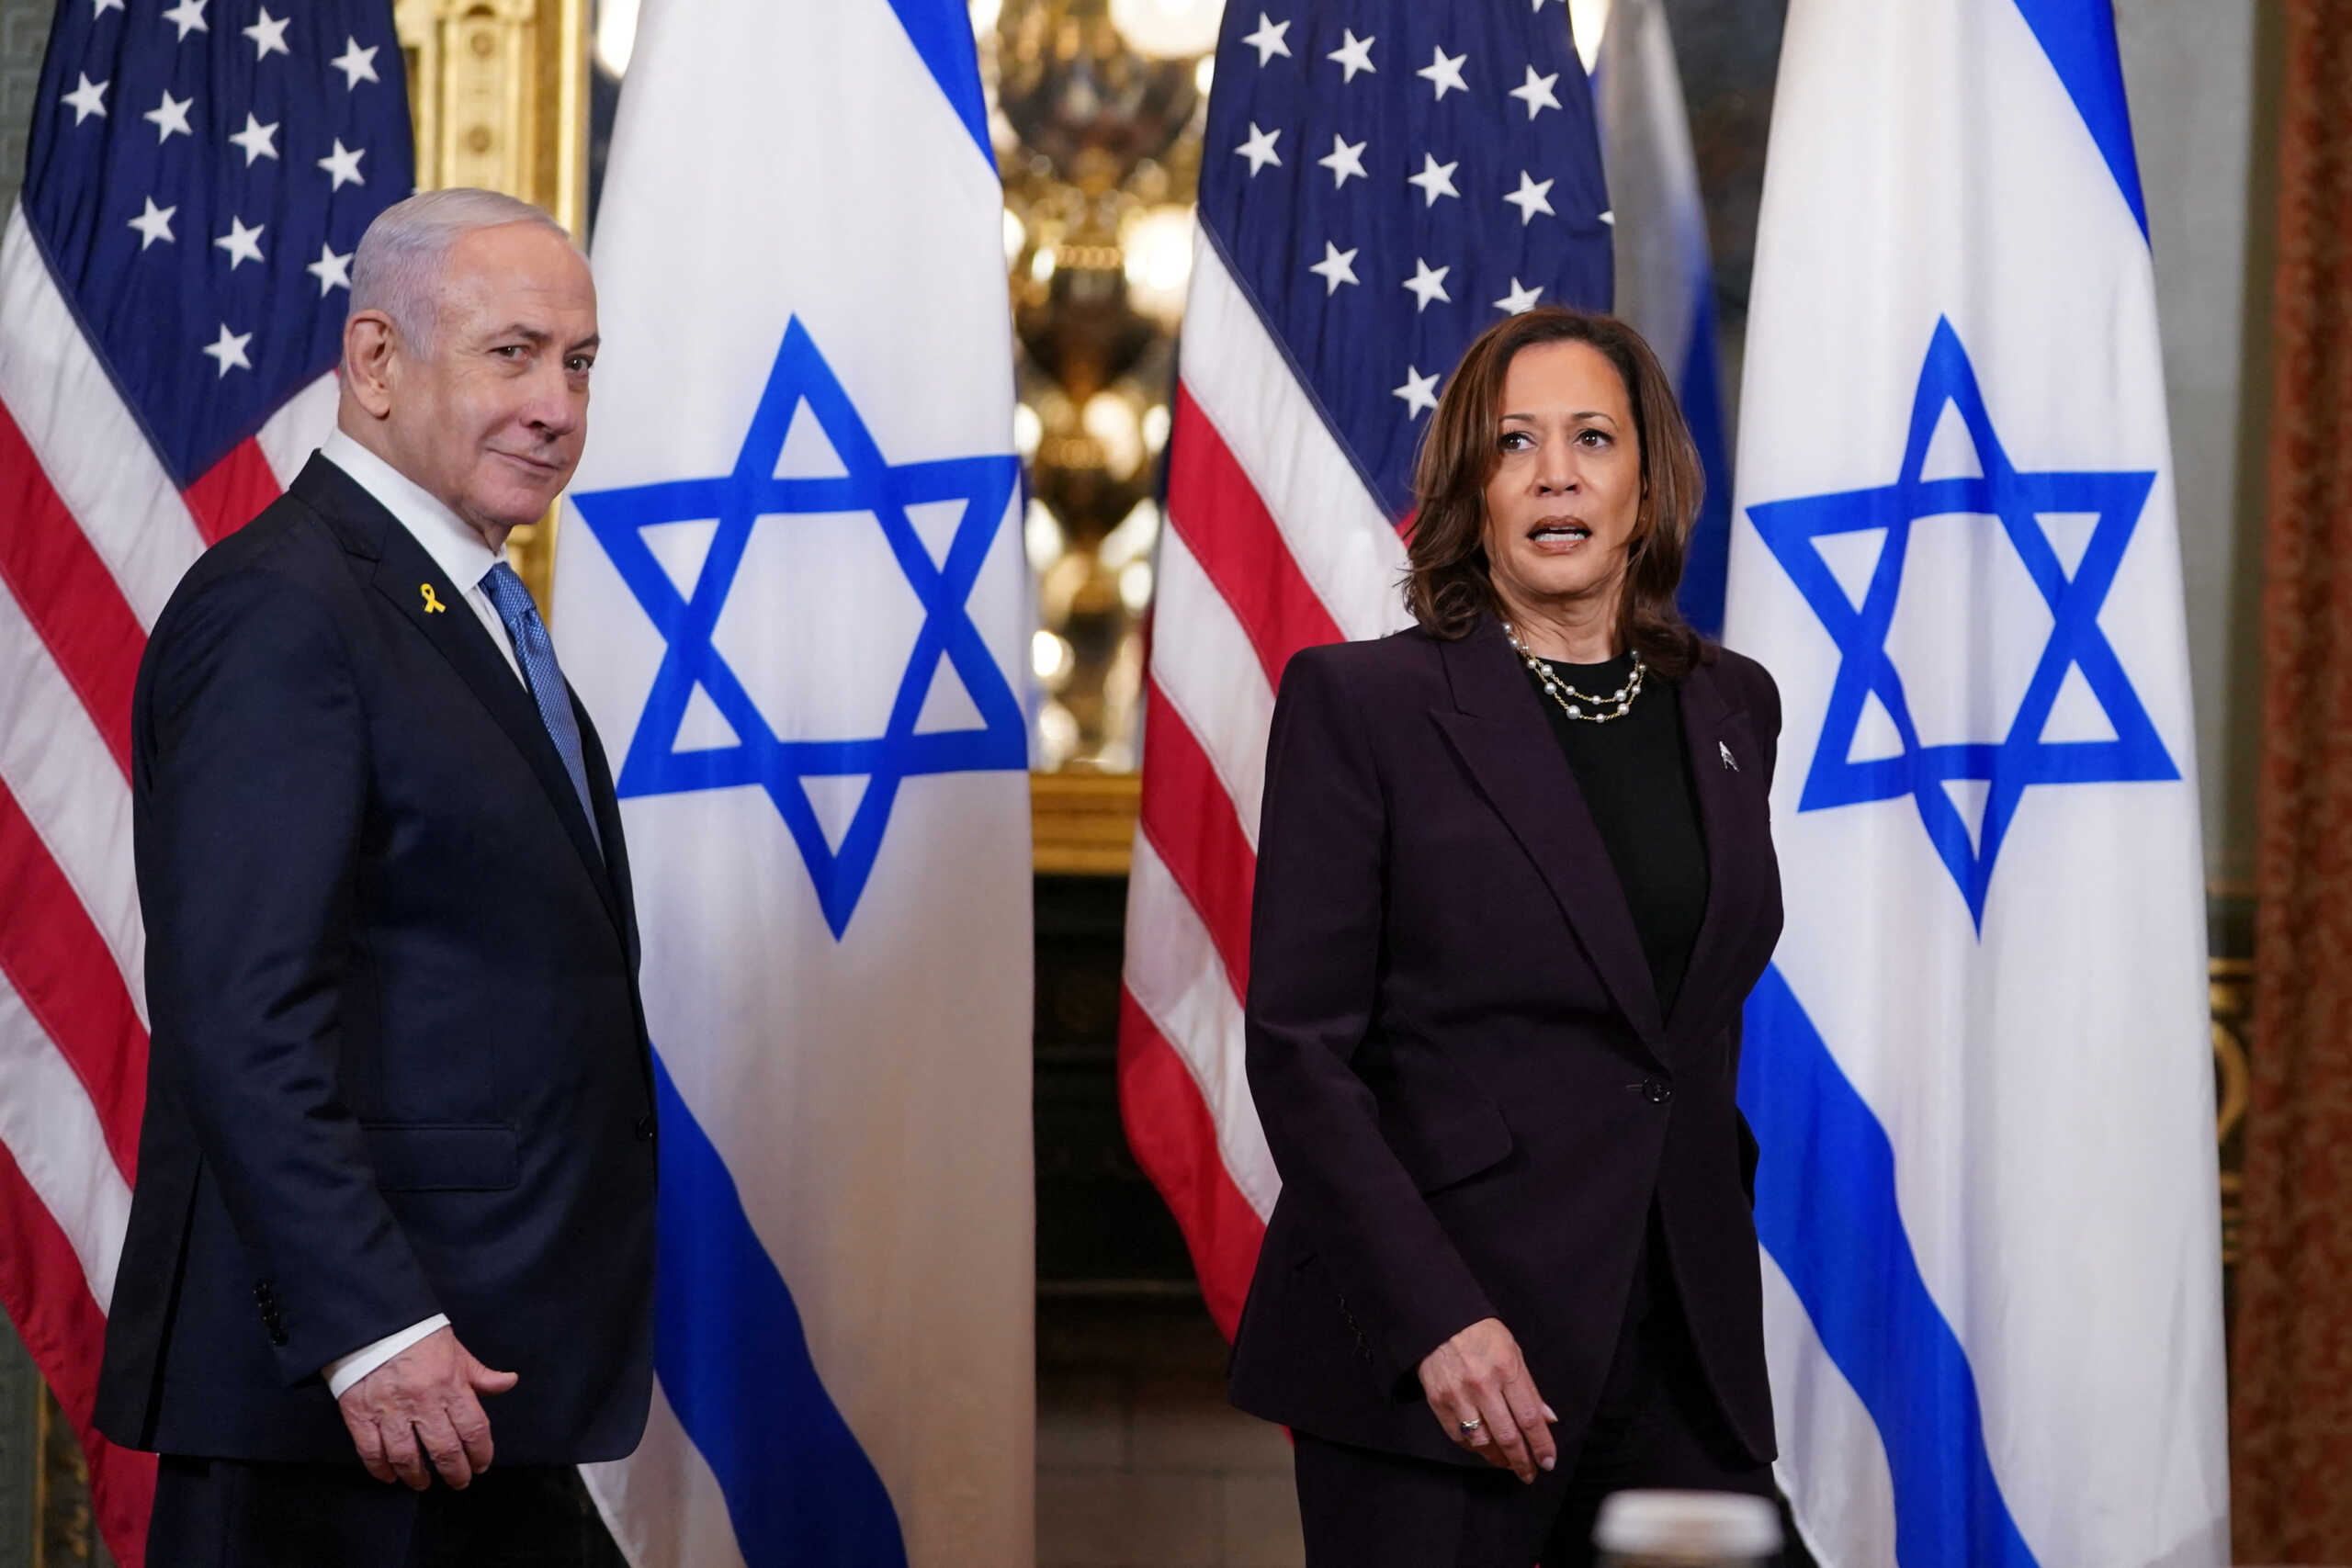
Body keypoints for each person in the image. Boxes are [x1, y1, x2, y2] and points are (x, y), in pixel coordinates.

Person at [95, 189, 653, 1568]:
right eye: (512, 353)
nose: (557, 406)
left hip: (474, 1386)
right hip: (352, 1397)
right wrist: (370, 1328)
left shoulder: (459, 610)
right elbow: (241, 1011)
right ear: (377, 361)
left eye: (578, 363)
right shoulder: (287, 610)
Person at [1227, 308, 1784, 1567]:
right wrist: (1436, 1320)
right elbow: (1302, 1056)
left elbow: (1683, 1027)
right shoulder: (1363, 707)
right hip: (1449, 1357)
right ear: (1472, 489)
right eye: (1515, 444)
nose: (1556, 474)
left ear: (1648, 482)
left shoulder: (1731, 704)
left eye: (1593, 438)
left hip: (1680, 1342)